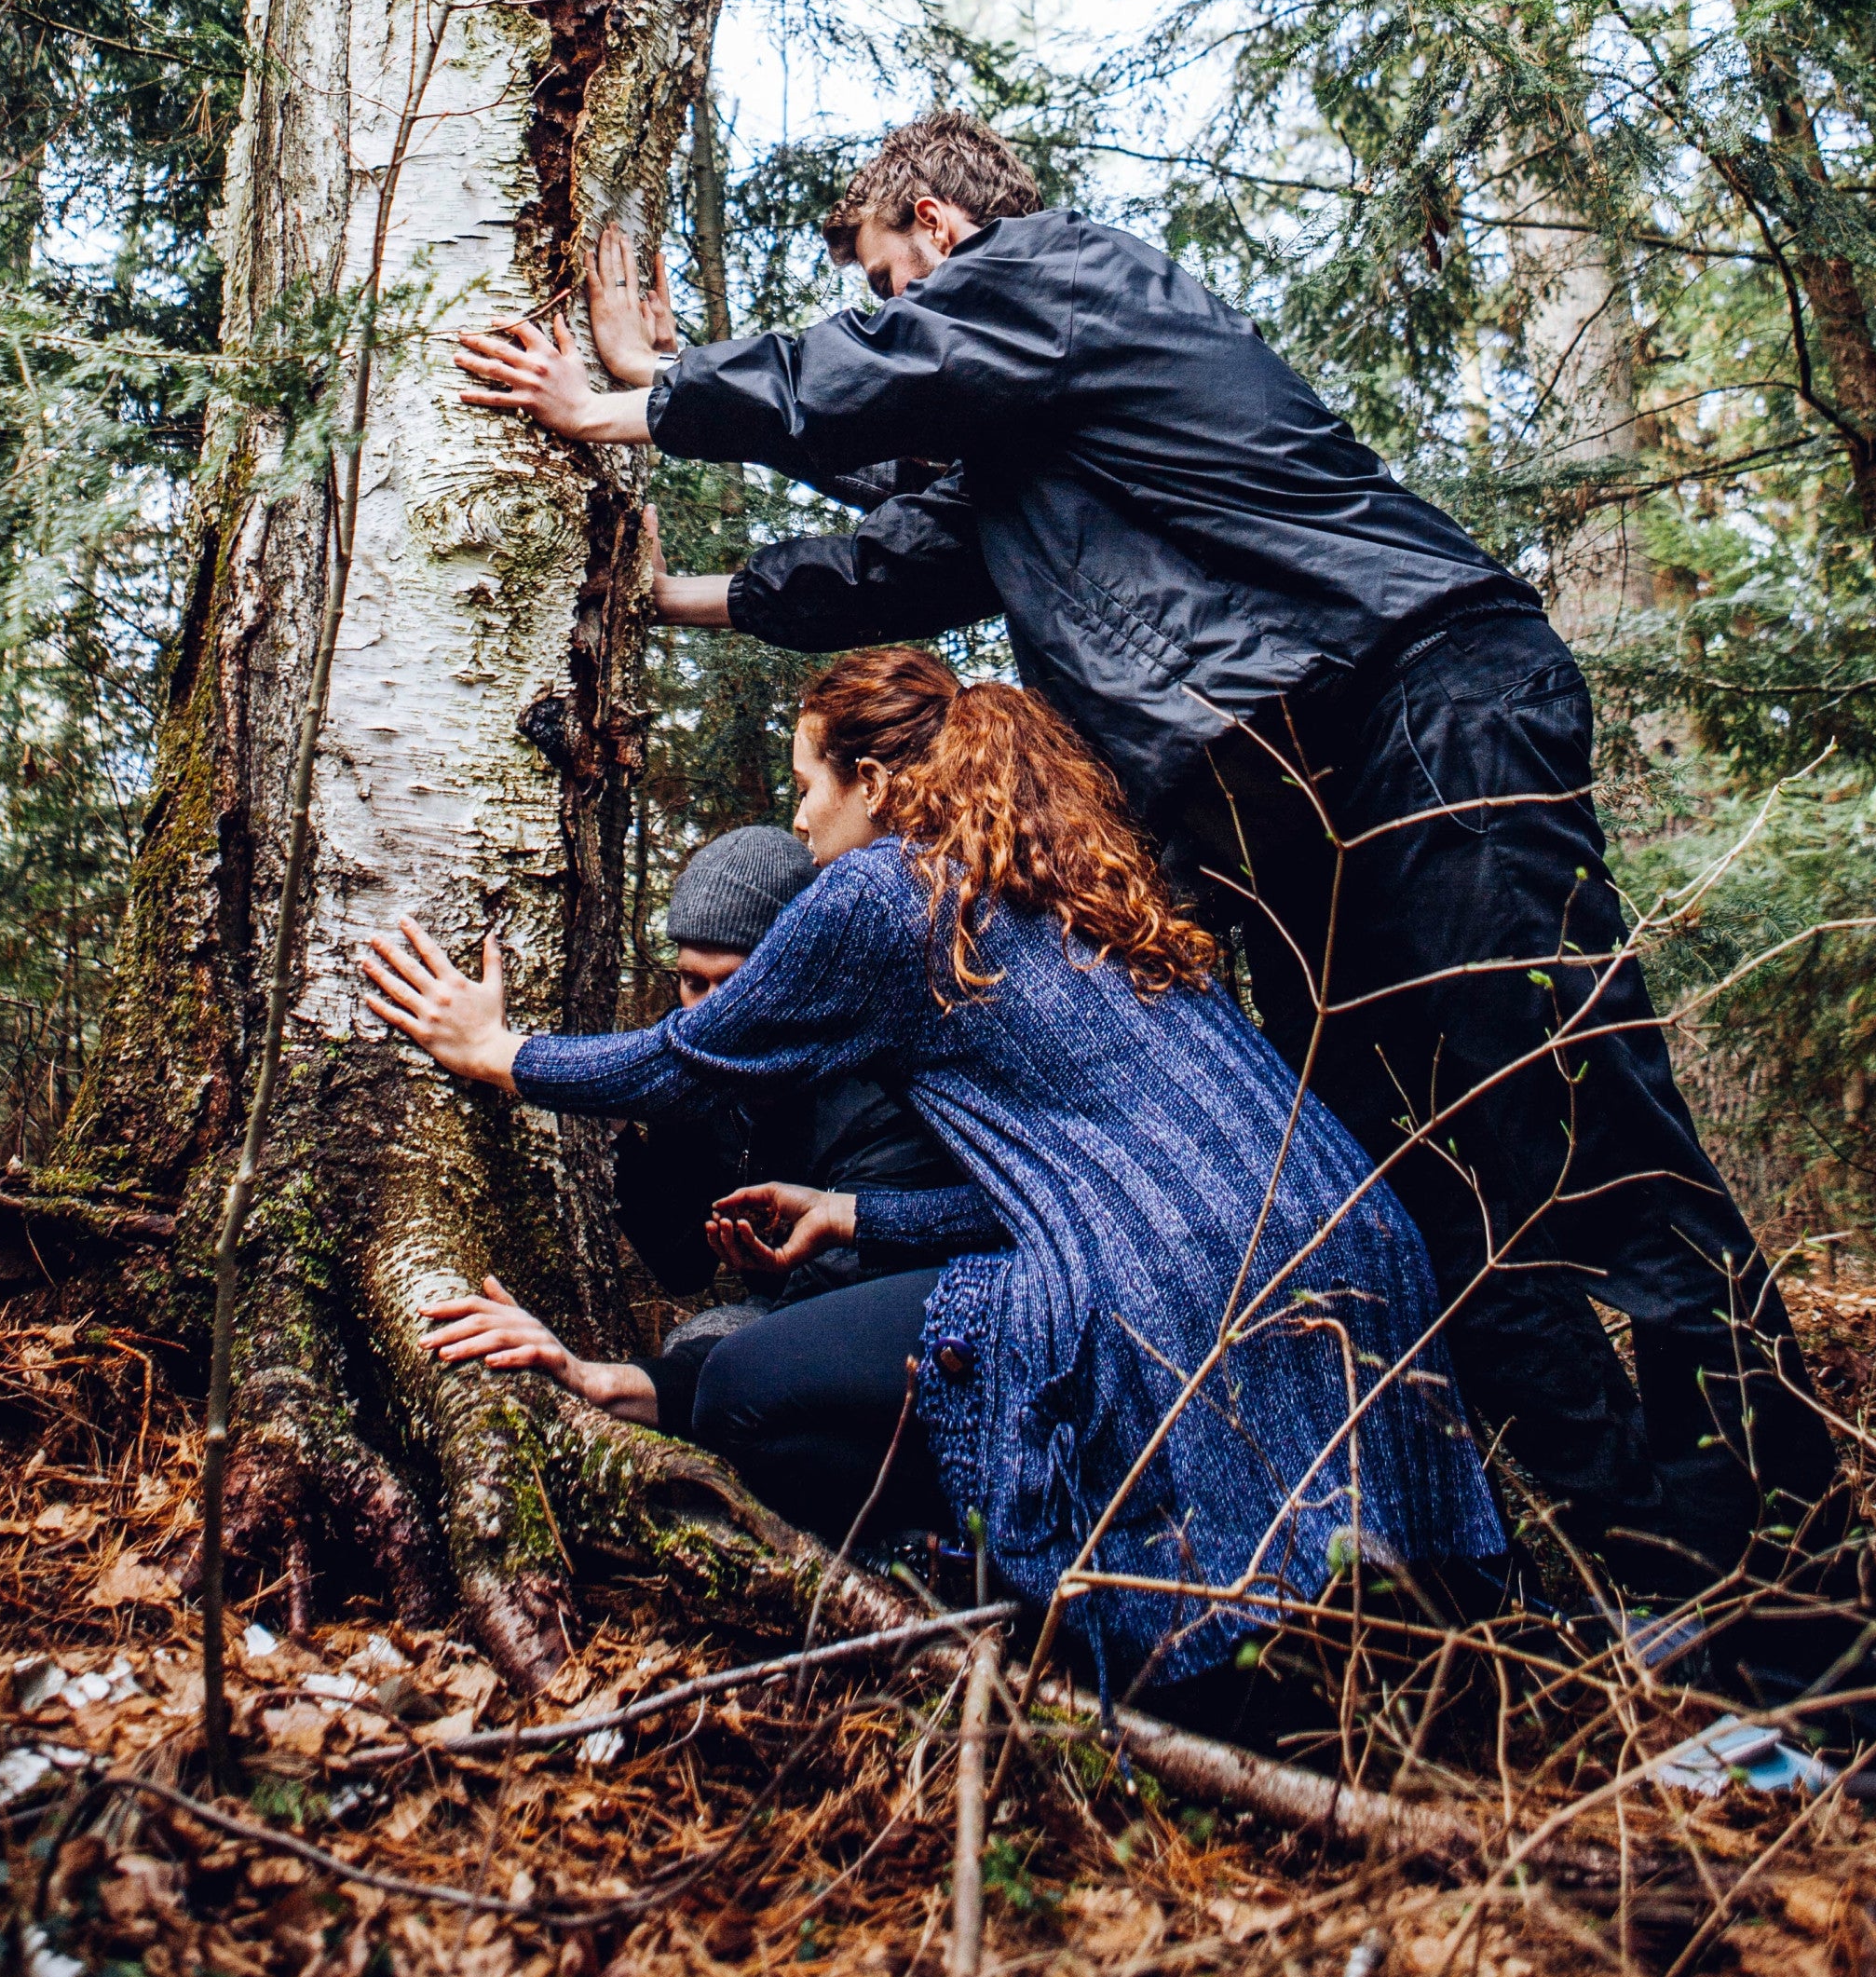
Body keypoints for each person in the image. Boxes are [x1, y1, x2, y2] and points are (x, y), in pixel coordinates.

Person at [454, 114, 1846, 1657]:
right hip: (1288, 803)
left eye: (884, 276)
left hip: (1416, 709)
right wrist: (670, 592)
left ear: (933, 224)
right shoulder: (1036, 449)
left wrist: (641, 395)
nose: (890, 311)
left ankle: (1800, 1629)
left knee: (1582, 1148)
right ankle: (1646, 1580)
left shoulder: (1061, 273)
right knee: (1425, 1194)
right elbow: (910, 543)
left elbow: (893, 375)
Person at [365, 649, 1504, 1693]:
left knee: (753, 1397)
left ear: (869, 780)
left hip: (1174, 1280)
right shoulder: (1071, 886)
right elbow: (1092, 1172)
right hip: (1352, 1243)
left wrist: (501, 1052)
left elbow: (686, 1059)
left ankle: (1006, 1594)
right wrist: (860, 1212)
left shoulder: (883, 888)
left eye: (807, 781)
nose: (802, 816)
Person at [437, 808, 997, 1441]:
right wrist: (621, 1140)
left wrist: (597, 1379)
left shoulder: (874, 1108)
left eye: (730, 985)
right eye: (689, 982)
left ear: (790, 979)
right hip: (799, 1321)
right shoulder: (704, 1083)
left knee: (708, 1342)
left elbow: (809, 1331)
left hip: (922, 1346)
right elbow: (683, 1266)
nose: (705, 1011)